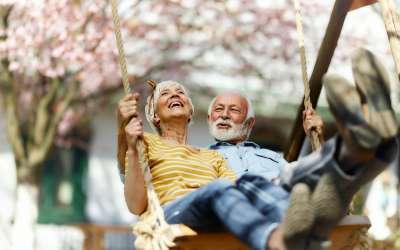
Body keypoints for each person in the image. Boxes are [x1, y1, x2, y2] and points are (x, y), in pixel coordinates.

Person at [117, 48, 398, 250]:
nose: (175, 95)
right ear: (153, 115)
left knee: (250, 182)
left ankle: (361, 152)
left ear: (191, 112)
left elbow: (238, 190)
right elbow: (135, 205)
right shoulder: (143, 143)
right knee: (218, 189)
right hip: (172, 215)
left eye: (180, 92)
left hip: (217, 213)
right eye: (165, 94)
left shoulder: (210, 156)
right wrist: (128, 142)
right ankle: (276, 240)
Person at [207, 91, 324, 181]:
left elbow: (307, 179)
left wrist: (317, 138)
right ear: (209, 119)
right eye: (219, 109)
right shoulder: (199, 156)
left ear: (249, 123)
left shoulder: (273, 157)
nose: (224, 115)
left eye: (234, 110)